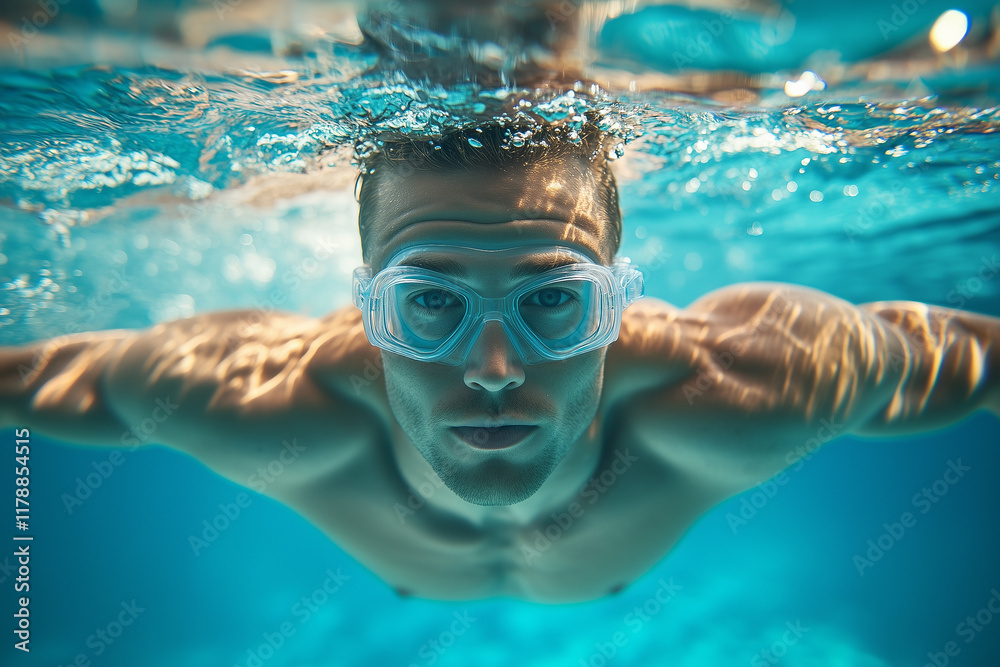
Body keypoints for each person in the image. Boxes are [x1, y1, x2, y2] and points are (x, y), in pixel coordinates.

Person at [2, 115, 998, 603]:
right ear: (367, 304)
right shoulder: (249, 399)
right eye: (426, 303)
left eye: (554, 302)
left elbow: (966, 358)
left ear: (617, 301)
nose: (489, 364)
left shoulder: (756, 382)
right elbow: (59, 381)